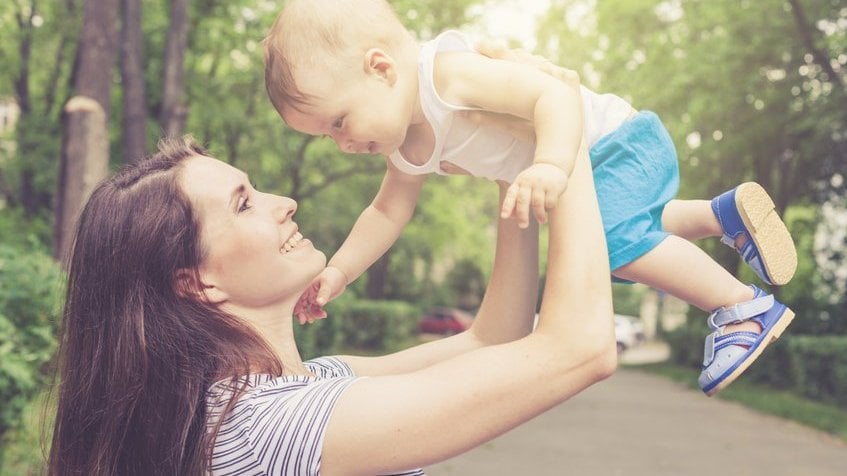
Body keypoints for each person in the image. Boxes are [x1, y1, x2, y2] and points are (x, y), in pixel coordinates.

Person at [48, 53, 620, 474]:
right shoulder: (266, 430)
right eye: (244, 203)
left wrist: (512, 160)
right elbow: (579, 348)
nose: (284, 203)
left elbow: (494, 340)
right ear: (198, 284)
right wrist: (558, 134)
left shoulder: (309, 383)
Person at [262, 0, 799, 396]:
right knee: (620, 241)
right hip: (603, 164)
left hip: (615, 142)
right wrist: (340, 271)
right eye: (326, 137)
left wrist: (548, 163)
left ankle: (741, 308)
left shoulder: (445, 75)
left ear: (380, 68)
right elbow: (386, 211)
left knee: (611, 244)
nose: (343, 143)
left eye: (339, 121)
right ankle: (719, 216)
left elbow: (551, 93)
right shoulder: (405, 148)